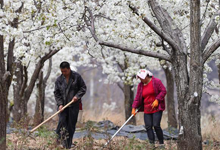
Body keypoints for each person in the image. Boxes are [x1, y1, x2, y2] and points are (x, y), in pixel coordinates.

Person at [54, 61, 87, 149]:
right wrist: (60, 104)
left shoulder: (76, 77)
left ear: (69, 69)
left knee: (71, 125)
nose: (64, 73)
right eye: (62, 71)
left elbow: (83, 88)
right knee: (61, 122)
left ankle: (67, 145)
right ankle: (57, 142)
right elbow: (57, 93)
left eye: (65, 71)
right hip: (63, 106)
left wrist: (77, 96)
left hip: (73, 105)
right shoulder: (59, 80)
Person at [132, 69, 166, 148]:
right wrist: (134, 107)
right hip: (147, 109)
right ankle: (152, 145)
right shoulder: (140, 85)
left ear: (147, 76)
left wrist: (157, 99)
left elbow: (163, 91)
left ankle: (161, 144)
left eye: (141, 78)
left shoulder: (156, 82)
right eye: (139, 78)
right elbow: (137, 97)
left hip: (156, 108)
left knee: (156, 125)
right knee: (148, 126)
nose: (140, 80)